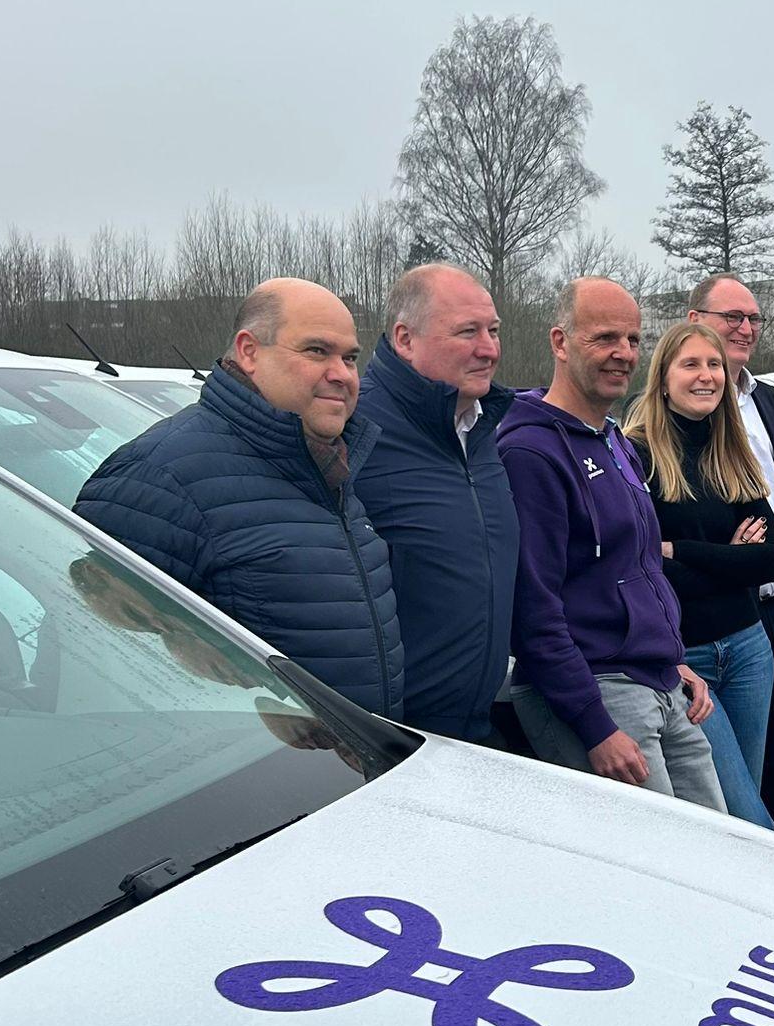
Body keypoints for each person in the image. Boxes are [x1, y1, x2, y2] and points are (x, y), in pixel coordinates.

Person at [74, 278, 403, 718]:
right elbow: (106, 668)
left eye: (349, 358)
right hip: (256, 758)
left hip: (361, 754)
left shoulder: (328, 465)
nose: (342, 374)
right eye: (316, 351)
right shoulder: (157, 476)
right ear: (249, 351)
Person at [498, 277, 725, 811]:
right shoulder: (529, 453)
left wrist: (672, 657)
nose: (624, 353)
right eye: (604, 338)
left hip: (659, 683)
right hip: (599, 694)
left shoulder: (615, 439)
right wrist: (594, 725)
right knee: (655, 853)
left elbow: (637, 566)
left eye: (633, 339)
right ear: (560, 342)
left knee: (722, 841)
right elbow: (533, 609)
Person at [624, 321, 774, 828]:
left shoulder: (730, 451)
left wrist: (682, 550)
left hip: (749, 649)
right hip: (685, 657)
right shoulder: (635, 454)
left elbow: (769, 560)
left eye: (714, 364)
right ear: (663, 378)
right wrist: (729, 560)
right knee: (744, 817)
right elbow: (647, 574)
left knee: (744, 799)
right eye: (690, 364)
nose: (706, 375)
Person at [686, 274, 774, 835]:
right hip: (728, 613)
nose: (746, 328)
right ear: (695, 321)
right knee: (733, 774)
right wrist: (718, 555)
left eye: (753, 318)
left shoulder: (767, 398)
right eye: (732, 317)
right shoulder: (676, 409)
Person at [357, 264, 519, 743]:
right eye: (468, 332)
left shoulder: (481, 427)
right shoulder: (353, 429)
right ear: (405, 339)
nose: (489, 349)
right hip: (391, 738)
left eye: (493, 331)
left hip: (477, 725)